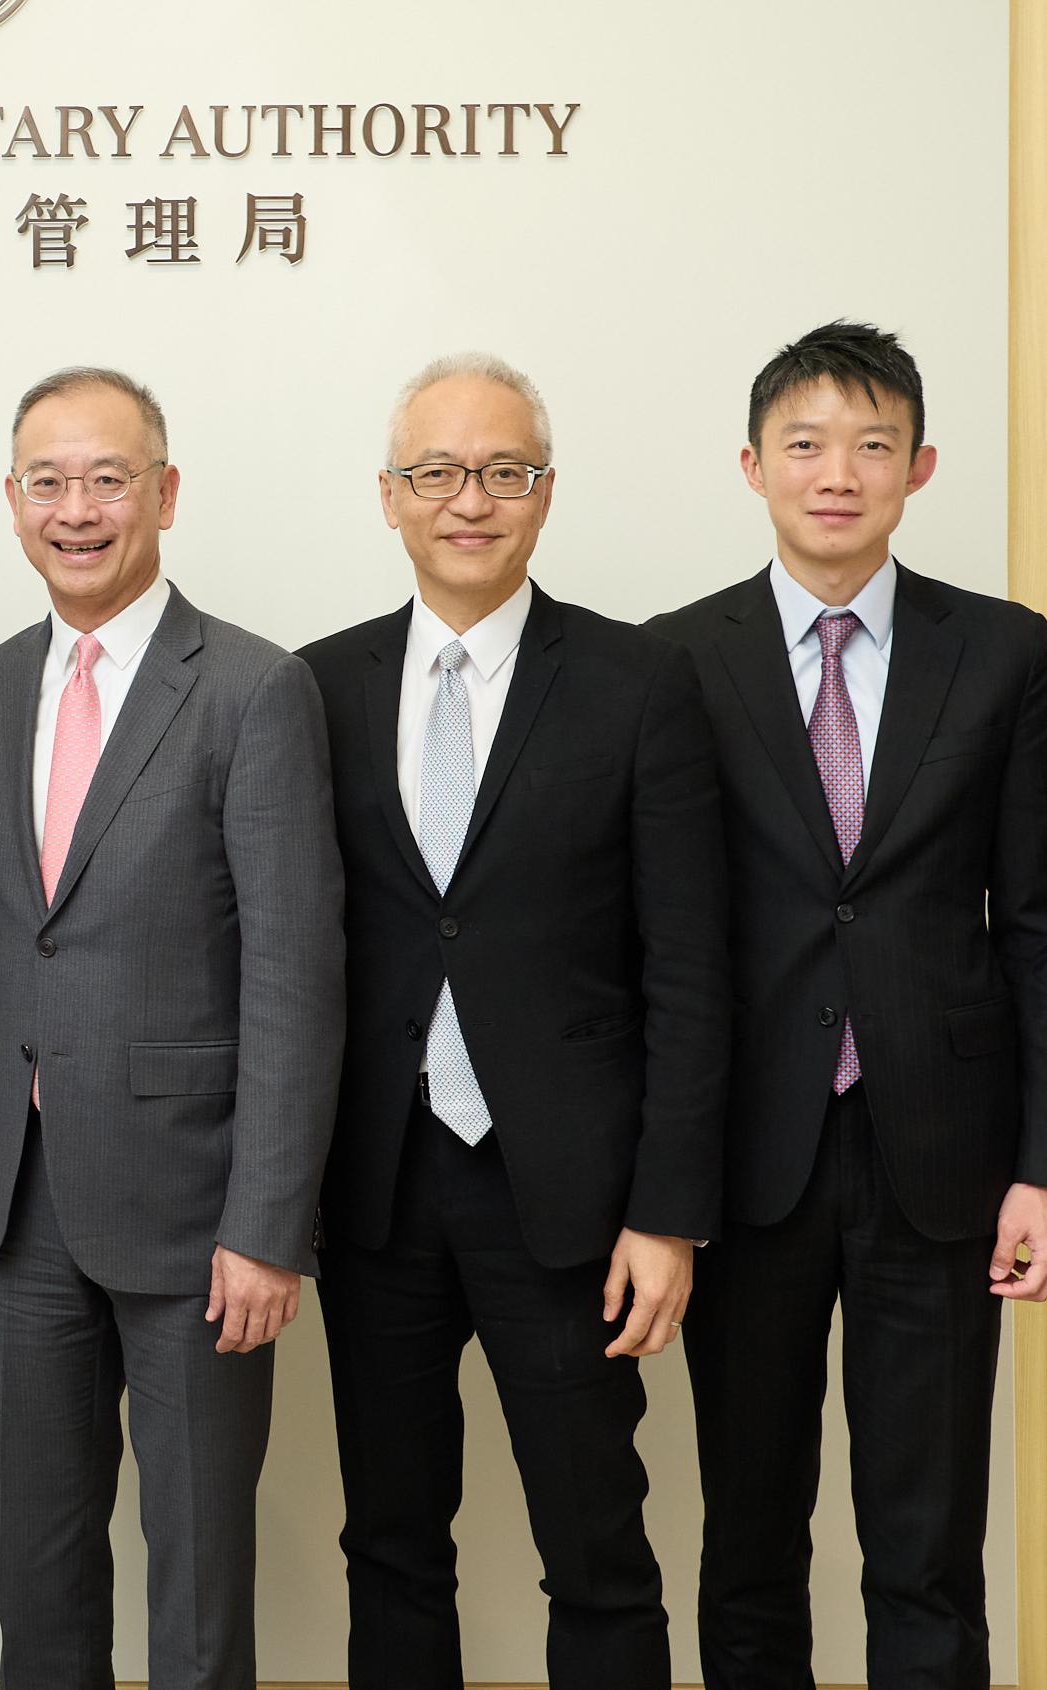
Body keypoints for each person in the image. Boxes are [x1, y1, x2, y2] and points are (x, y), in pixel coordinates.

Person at [642, 323, 1047, 1690]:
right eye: (807, 443)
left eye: (873, 443)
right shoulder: (676, 659)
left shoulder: (1001, 652)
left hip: (943, 1162)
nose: (839, 472)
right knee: (751, 1535)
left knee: (927, 1541)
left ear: (920, 465)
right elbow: (659, 935)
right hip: (749, 1156)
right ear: (753, 466)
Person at [300, 351, 726, 1690]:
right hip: (376, 1187)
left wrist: (668, 1212)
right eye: (437, 471)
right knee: (391, 1539)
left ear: (544, 493)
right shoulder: (316, 686)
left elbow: (690, 968)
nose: (468, 499)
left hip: (575, 1200)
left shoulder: (636, 681)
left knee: (598, 1543)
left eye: (503, 471)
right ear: (389, 495)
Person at [0, 365, 341, 1690]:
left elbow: (295, 971)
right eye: (49, 482)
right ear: (13, 502)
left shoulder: (249, 686)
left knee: (196, 1587)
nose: (78, 509)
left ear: (164, 493)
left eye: (107, 478)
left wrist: (267, 1224)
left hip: (198, 1213)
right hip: (22, 1197)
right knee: (38, 1574)